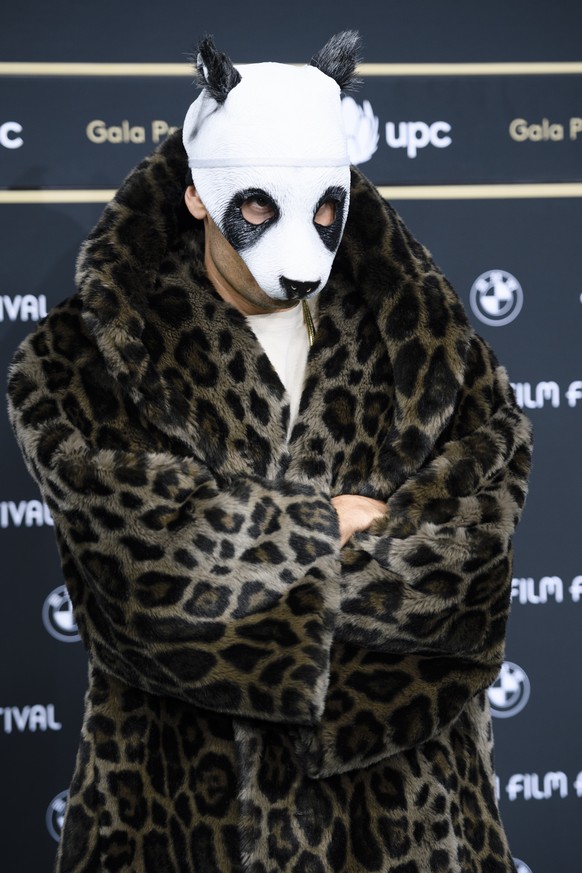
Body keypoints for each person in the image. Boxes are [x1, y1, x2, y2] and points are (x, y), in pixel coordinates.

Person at [8, 31, 531, 873]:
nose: (301, 250)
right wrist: (322, 530)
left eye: (327, 213)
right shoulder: (80, 359)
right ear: (198, 196)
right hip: (179, 824)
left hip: (408, 830)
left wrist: (263, 596)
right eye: (259, 209)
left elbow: (462, 591)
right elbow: (148, 593)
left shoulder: (434, 352)